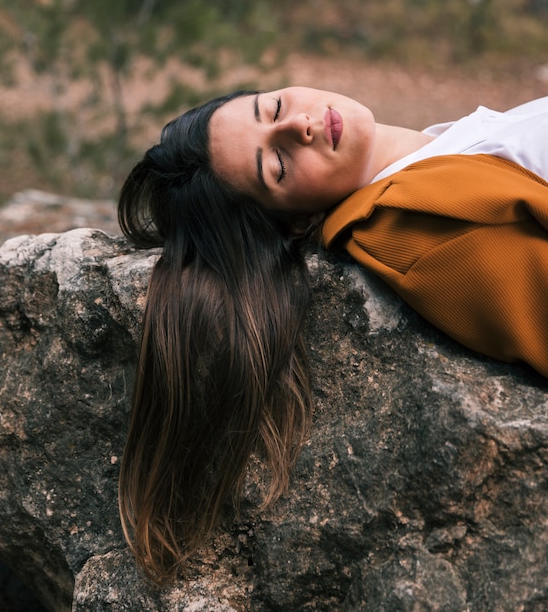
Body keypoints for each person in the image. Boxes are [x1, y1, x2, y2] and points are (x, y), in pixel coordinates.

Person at [117, 86, 548, 583]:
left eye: (272, 107)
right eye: (277, 165)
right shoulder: (416, 232)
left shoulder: (438, 153)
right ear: (297, 220)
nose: (298, 126)